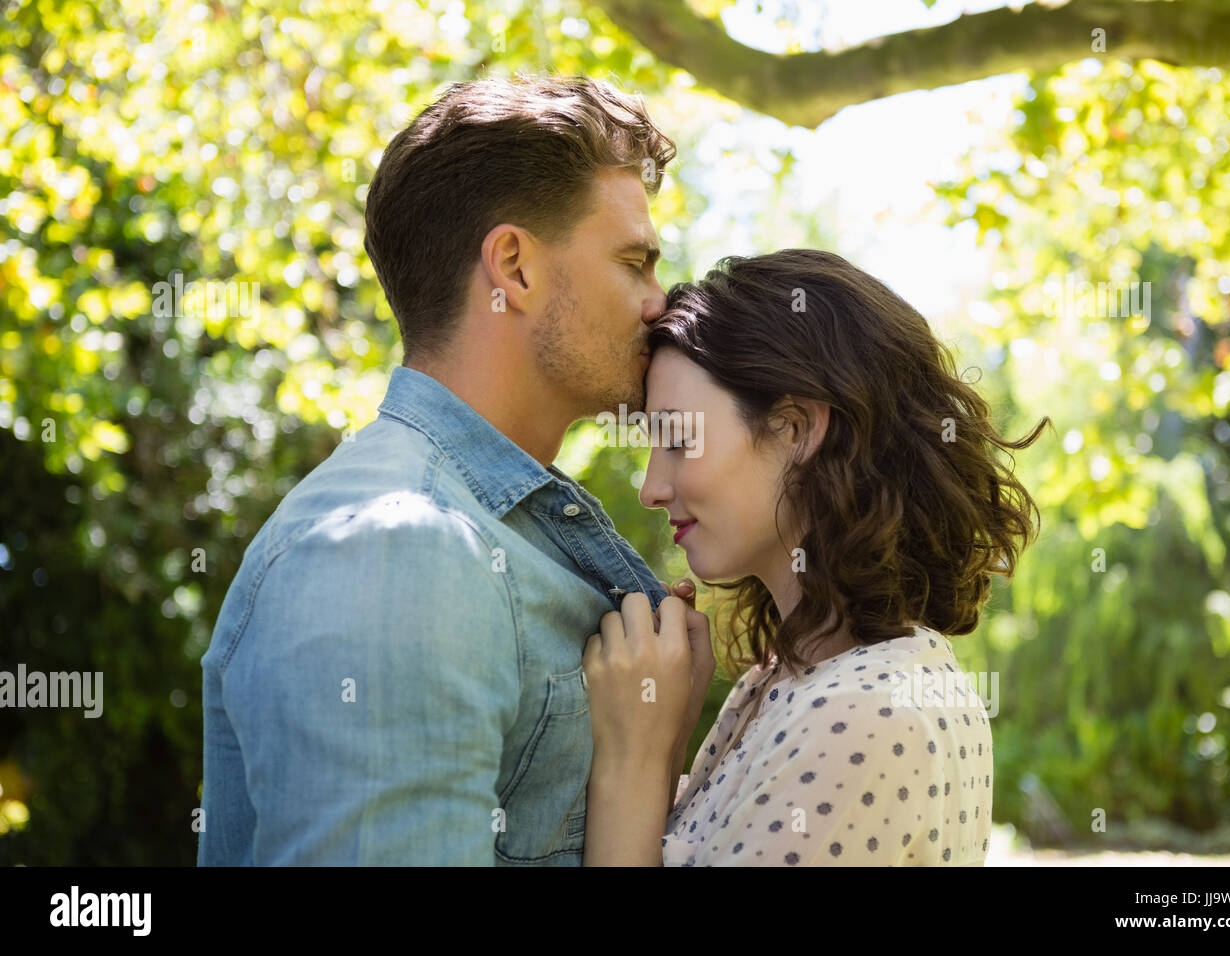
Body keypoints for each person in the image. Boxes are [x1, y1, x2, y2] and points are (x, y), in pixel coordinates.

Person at [198, 74, 712, 865]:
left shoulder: (486, 531)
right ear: (514, 267)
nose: (658, 300)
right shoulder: (399, 548)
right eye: (635, 261)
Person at [579, 248, 1050, 865]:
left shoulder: (864, 713)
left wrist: (630, 757)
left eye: (678, 438)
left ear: (797, 429)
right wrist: (663, 738)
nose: (651, 488)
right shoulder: (787, 682)